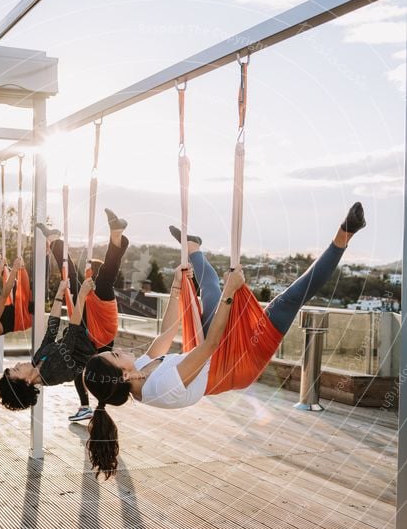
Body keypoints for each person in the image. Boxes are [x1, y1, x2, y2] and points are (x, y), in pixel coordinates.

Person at [83, 202, 367, 479]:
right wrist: (233, 291)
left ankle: (193, 247)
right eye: (115, 355)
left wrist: (177, 286)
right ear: (123, 373)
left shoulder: (140, 372)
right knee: (287, 301)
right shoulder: (158, 387)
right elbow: (211, 345)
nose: (119, 349)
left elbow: (166, 333)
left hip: (204, 356)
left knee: (208, 291)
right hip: (233, 365)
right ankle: (345, 234)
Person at [0, 209, 129, 412]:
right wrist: (81, 296)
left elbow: (51, 331)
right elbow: (71, 337)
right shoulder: (52, 374)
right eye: (16, 371)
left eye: (14, 367)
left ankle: (61, 238)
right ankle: (112, 236)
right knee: (101, 283)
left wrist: (59, 295)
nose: (18, 365)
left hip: (83, 324)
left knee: (71, 276)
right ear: (26, 383)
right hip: (98, 334)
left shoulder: (37, 360)